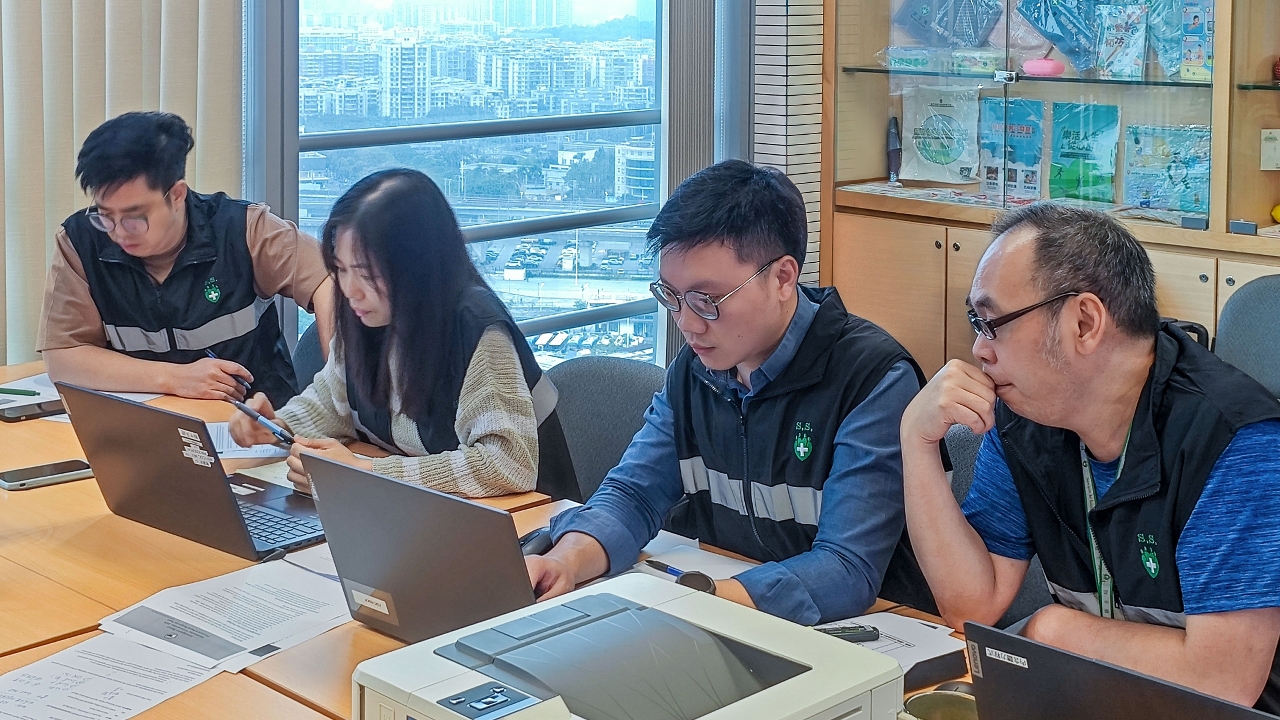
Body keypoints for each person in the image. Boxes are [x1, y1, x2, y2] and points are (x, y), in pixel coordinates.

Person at [900, 202, 1280, 711]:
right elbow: (972, 604)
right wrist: (917, 443)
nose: (979, 350)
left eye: (993, 323)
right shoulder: (1025, 419)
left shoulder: (1234, 441)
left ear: (1084, 322)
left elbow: (1222, 681)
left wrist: (1055, 630)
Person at [525, 160, 936, 625]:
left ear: (783, 278)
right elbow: (634, 494)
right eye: (671, 296)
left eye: (707, 300)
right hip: (729, 610)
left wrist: (704, 602)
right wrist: (566, 561)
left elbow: (846, 568)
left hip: (870, 631)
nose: (687, 323)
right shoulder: (696, 370)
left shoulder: (872, 379)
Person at [229, 169, 578, 500]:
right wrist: (275, 426)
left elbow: (507, 465)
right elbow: (332, 405)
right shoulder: (366, 315)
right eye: (341, 270)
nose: (350, 290)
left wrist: (368, 473)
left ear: (415, 268)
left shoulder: (476, 328)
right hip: (422, 514)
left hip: (526, 525)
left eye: (366, 274)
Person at [37, 111, 334, 406]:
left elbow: (329, 279)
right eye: (105, 215)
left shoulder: (242, 229)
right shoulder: (80, 241)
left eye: (134, 217)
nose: (118, 232)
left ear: (177, 194)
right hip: (144, 420)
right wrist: (175, 378)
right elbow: (64, 355)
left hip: (252, 417)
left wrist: (338, 385)